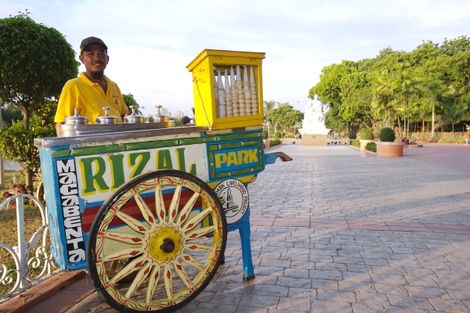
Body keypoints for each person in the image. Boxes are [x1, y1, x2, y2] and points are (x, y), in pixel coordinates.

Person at [55, 36, 129, 136]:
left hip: (118, 147)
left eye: (101, 53)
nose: (97, 58)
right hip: (89, 148)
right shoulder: (73, 86)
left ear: (107, 59)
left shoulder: (114, 86)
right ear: (82, 58)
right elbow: (61, 124)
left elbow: (124, 115)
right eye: (90, 54)